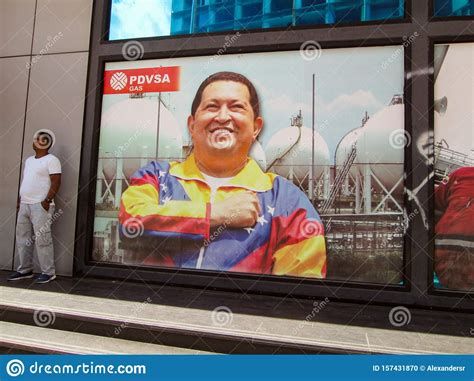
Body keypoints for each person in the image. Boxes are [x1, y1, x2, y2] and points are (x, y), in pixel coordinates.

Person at [119, 71, 326, 278]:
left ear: (256, 127)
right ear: (192, 125)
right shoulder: (155, 176)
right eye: (212, 107)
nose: (223, 117)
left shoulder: (289, 202)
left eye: (236, 107)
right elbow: (131, 221)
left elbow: (297, 293)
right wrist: (216, 214)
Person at [7, 129, 61, 284]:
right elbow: (27, 181)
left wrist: (47, 200)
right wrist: (20, 199)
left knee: (42, 239)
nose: (34, 140)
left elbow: (56, 181)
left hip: (40, 205)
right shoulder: (29, 160)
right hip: (24, 204)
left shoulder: (52, 160)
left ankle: (48, 272)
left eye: (38, 138)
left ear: (45, 142)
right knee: (22, 238)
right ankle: (25, 270)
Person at [435, 166, 474, 290]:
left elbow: (431, 201)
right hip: (450, 266)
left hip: (448, 267)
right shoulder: (461, 175)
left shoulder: (461, 175)